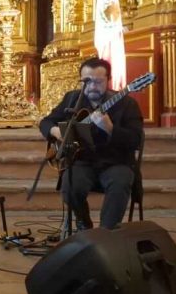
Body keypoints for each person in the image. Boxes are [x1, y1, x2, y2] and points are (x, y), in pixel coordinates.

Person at [38, 57, 143, 230]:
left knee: (120, 184)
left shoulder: (127, 104)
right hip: (82, 160)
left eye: (98, 82)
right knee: (69, 186)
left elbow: (135, 140)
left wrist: (110, 129)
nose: (92, 86)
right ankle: (83, 222)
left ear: (108, 80)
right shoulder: (72, 99)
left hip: (116, 161)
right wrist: (55, 131)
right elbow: (46, 122)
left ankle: (105, 233)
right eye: (87, 81)